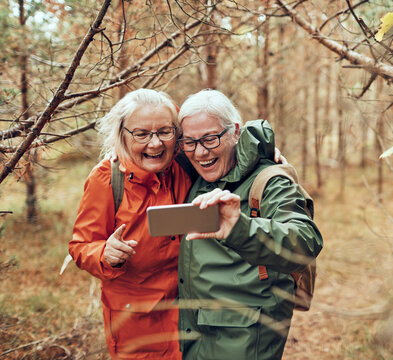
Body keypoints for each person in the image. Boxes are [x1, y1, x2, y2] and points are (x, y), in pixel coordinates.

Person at [68, 88, 284, 360]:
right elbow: (80, 246)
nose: (155, 143)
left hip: (191, 315)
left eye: (164, 132)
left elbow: (219, 139)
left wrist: (262, 153)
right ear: (123, 135)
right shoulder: (107, 180)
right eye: (142, 134)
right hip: (138, 322)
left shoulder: (183, 164)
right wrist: (104, 254)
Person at [176, 89, 323, 360]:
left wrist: (240, 229)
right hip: (192, 329)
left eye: (210, 139)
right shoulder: (192, 171)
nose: (200, 152)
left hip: (245, 334)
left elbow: (305, 240)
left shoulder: (269, 181)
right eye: (190, 142)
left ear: (235, 132)